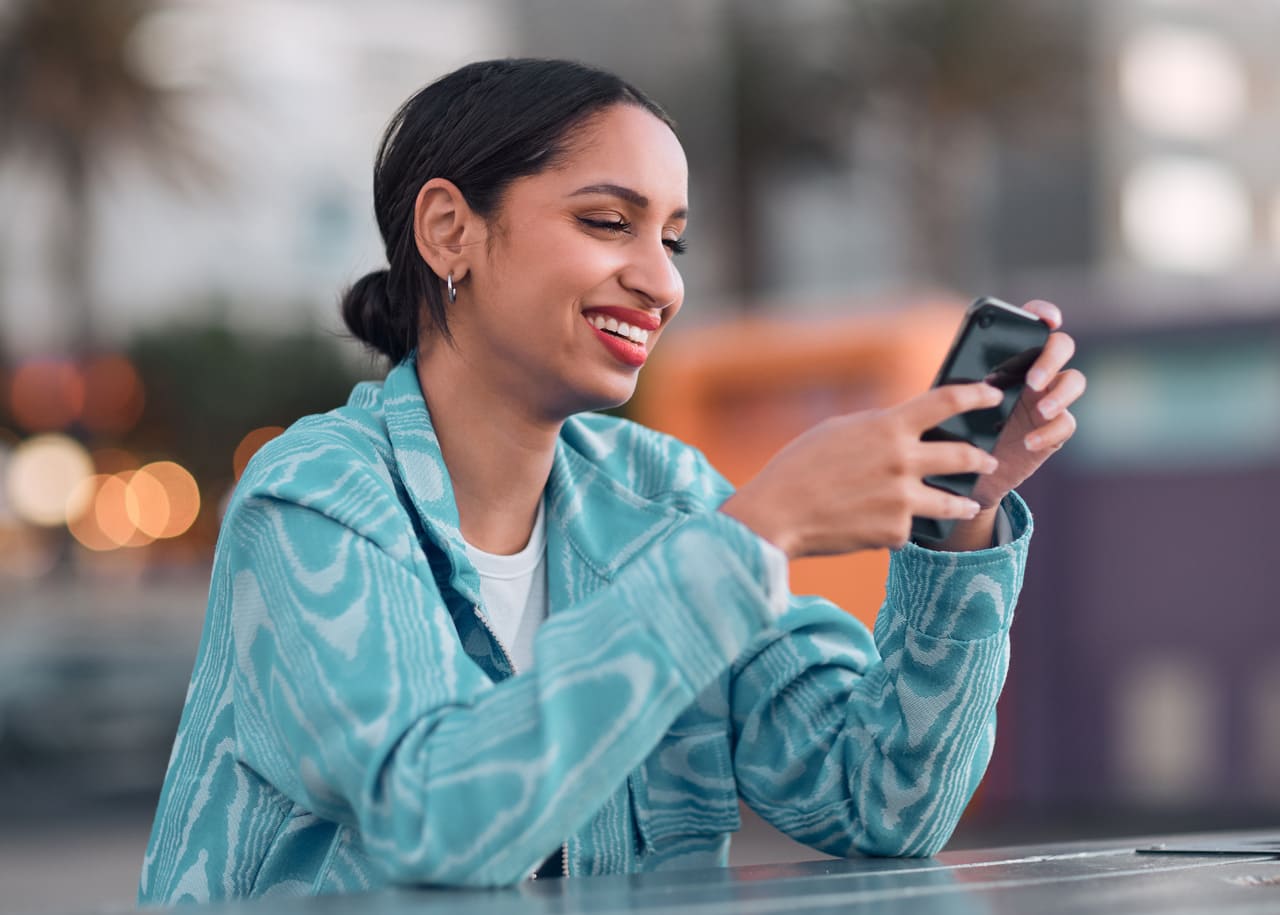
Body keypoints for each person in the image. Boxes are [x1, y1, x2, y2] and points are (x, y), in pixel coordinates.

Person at [138, 57, 1084, 903]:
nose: (662, 283)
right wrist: (757, 536)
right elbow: (438, 820)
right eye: (607, 223)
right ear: (449, 230)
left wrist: (962, 511)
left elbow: (882, 799)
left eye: (673, 241)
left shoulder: (664, 497)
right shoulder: (312, 498)